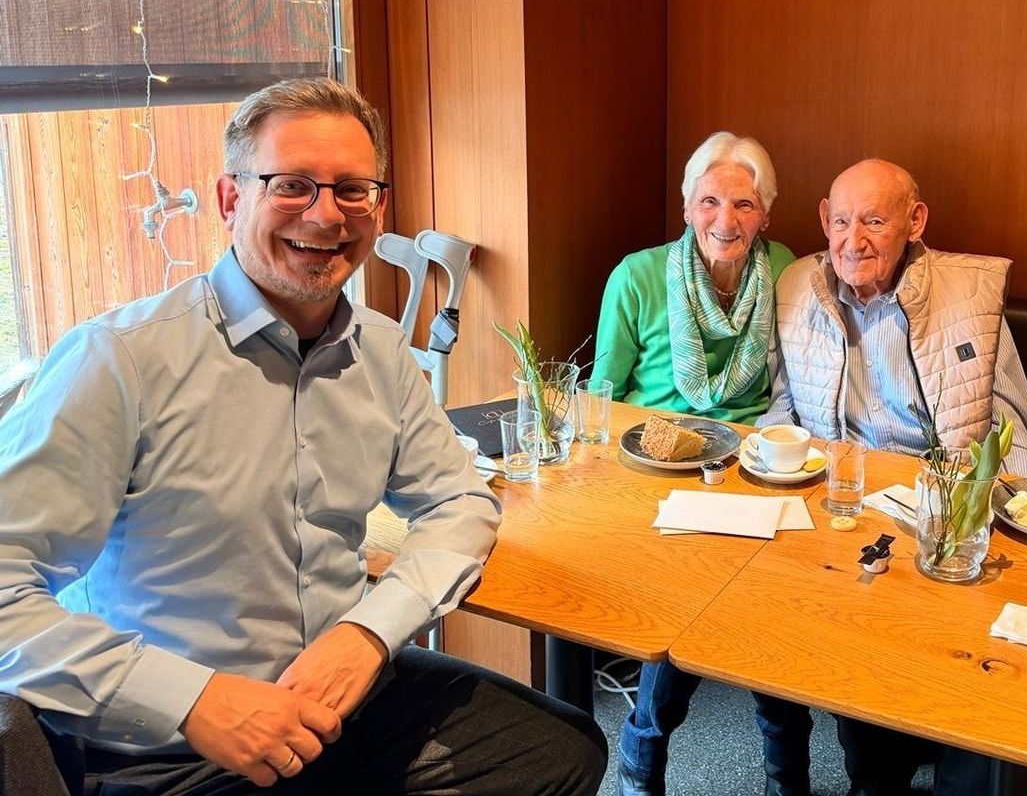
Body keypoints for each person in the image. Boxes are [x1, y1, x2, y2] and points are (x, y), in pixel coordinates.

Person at [0, 77, 606, 796]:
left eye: (353, 190)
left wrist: (370, 633)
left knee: (562, 749)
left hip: (339, 702)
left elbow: (461, 504)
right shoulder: (120, 360)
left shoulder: (381, 352)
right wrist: (191, 699)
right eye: (292, 186)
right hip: (174, 746)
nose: (326, 216)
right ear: (231, 200)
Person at [763, 158, 1027, 795]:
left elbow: (1010, 425)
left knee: (983, 665)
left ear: (915, 222)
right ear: (824, 220)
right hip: (849, 507)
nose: (854, 241)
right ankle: (876, 776)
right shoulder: (795, 285)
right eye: (843, 221)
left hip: (954, 503)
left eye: (874, 222)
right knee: (848, 625)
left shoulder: (968, 297)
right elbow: (784, 405)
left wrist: (1019, 528)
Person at [593, 131, 808, 796]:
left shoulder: (788, 268)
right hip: (655, 476)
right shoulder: (635, 276)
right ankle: (654, 754)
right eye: (709, 201)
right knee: (696, 603)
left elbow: (799, 382)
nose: (726, 219)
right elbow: (600, 398)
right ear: (686, 208)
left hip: (754, 468)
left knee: (763, 612)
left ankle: (665, 756)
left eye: (744, 204)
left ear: (765, 214)